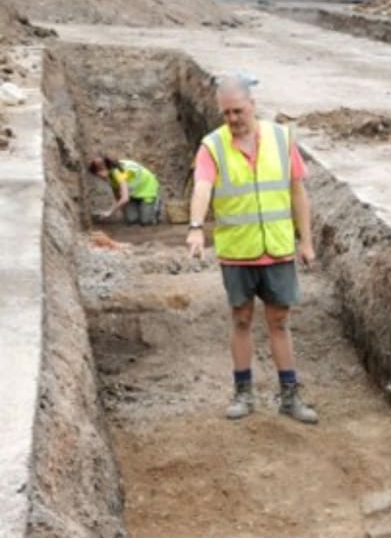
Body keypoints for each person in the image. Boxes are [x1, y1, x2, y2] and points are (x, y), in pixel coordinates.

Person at [185, 73, 319, 425]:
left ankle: (290, 396)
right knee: (241, 319)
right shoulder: (212, 146)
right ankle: (243, 394)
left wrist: (305, 241)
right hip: (237, 252)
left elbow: (297, 192)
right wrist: (196, 228)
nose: (232, 120)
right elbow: (202, 187)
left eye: (238, 111)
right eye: (226, 113)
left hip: (276, 248)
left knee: (279, 321)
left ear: (253, 106)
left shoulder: (280, 138)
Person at [88, 155, 162, 225]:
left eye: (98, 174)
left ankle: (155, 205)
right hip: (134, 193)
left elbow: (125, 198)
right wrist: (120, 208)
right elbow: (117, 194)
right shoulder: (110, 174)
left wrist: (110, 212)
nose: (99, 177)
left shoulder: (118, 173)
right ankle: (139, 205)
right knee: (131, 220)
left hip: (147, 189)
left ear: (102, 170)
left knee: (145, 221)